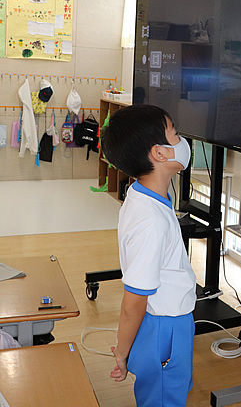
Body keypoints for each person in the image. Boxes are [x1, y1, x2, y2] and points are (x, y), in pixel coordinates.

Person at [101, 104, 197, 407]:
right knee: (164, 397)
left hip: (165, 323)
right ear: (159, 153)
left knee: (171, 389)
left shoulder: (146, 195)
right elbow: (134, 301)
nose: (183, 142)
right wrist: (122, 350)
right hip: (164, 326)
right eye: (176, 134)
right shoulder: (150, 221)